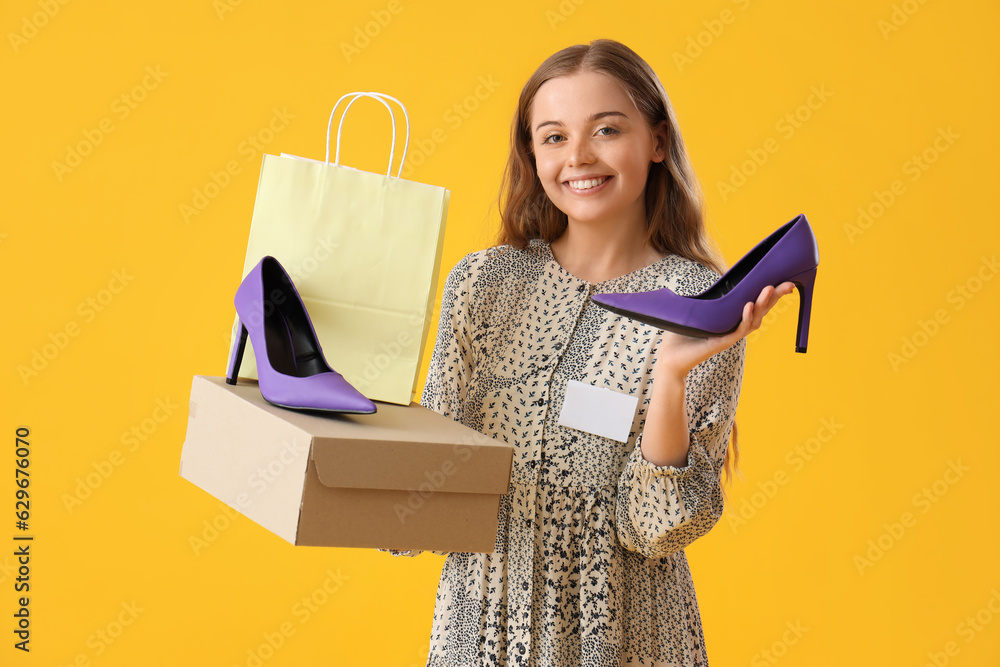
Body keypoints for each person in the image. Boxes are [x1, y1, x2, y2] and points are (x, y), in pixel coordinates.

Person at [386, 38, 796, 666]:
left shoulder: (701, 304)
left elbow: (654, 526)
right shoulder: (484, 287)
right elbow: (424, 511)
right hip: (483, 629)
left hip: (625, 636)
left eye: (606, 129)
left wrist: (670, 375)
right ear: (532, 153)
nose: (578, 156)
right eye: (552, 137)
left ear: (657, 142)